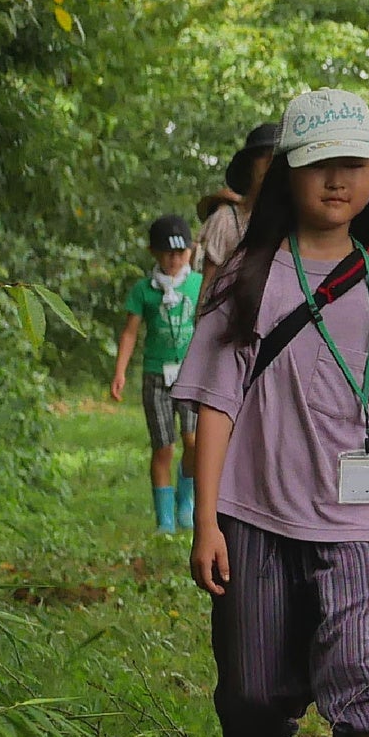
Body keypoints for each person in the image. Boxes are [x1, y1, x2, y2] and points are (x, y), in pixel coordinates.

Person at [175, 88, 369, 737]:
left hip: (357, 521)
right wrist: (205, 520)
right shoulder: (242, 279)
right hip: (252, 513)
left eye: (353, 164)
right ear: (286, 174)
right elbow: (215, 405)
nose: (336, 180)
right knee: (250, 696)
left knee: (367, 669)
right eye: (318, 165)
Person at [110, 212, 206, 535]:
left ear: (191, 252)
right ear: (154, 253)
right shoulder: (144, 290)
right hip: (156, 375)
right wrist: (120, 371)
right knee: (163, 446)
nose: (174, 259)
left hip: (192, 376)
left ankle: (185, 501)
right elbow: (130, 333)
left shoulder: (199, 284)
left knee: (194, 442)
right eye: (167, 252)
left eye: (180, 252)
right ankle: (164, 518)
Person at [195, 120, 280, 274]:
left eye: (276, 156)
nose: (269, 162)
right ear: (249, 166)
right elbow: (208, 286)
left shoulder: (298, 221)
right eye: (261, 155)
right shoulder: (225, 220)